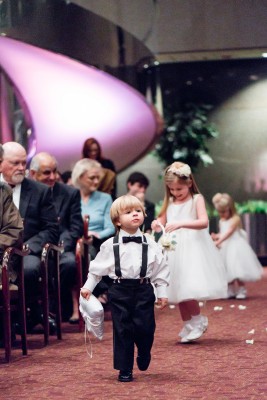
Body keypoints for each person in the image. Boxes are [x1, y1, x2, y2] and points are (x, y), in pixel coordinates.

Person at [80, 195, 169, 382]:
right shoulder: (109, 245)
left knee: (146, 328)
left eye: (137, 211)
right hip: (119, 290)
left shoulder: (150, 243)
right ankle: (125, 368)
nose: (134, 214)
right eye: (128, 212)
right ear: (117, 221)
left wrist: (162, 293)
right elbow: (97, 270)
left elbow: (160, 269)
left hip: (144, 290)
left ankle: (144, 351)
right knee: (122, 329)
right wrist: (88, 287)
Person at [151, 162, 227, 344]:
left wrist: (181, 223)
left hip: (192, 246)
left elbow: (203, 222)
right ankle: (188, 323)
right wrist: (157, 222)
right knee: (176, 288)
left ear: (189, 183)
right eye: (172, 189)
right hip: (173, 247)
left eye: (179, 189)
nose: (176, 193)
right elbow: (163, 217)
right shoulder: (170, 200)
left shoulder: (196, 199)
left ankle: (199, 320)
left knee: (187, 286)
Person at [1, 142, 59, 333]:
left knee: (29, 269)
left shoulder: (39, 190)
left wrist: (30, 245)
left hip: (28, 251)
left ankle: (28, 313)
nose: (21, 168)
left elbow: (51, 228)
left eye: (23, 163)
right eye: (15, 163)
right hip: (2, 249)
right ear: (1, 163)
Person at [29, 152, 84, 323]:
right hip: (34, 245)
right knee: (30, 267)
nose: (52, 177)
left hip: (61, 245)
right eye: (46, 172)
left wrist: (62, 244)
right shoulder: (26, 193)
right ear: (33, 174)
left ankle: (58, 304)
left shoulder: (70, 193)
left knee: (69, 263)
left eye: (54, 171)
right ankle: (33, 311)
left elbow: (76, 227)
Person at [72, 158, 115, 301]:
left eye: (98, 177)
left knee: (89, 252)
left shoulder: (105, 198)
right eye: (92, 178)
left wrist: (95, 235)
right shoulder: (71, 196)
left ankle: (91, 295)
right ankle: (76, 302)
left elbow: (110, 227)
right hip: (74, 240)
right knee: (73, 257)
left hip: (97, 242)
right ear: (80, 177)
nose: (96, 181)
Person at [211, 193, 263, 299]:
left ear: (230, 208)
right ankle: (230, 290)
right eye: (219, 212)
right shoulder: (221, 221)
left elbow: (229, 232)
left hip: (235, 247)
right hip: (225, 247)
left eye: (224, 211)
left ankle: (241, 289)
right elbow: (223, 232)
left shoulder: (235, 219)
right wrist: (217, 236)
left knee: (237, 269)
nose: (222, 214)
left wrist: (219, 240)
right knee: (227, 269)